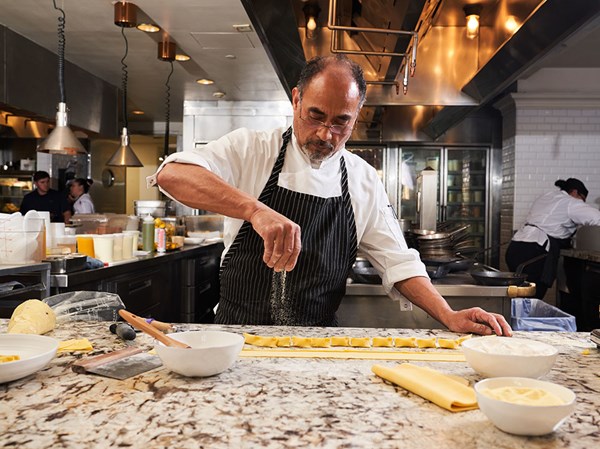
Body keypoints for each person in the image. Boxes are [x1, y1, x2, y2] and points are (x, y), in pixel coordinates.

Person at [150, 55, 511, 336]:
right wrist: (254, 210)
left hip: (316, 344)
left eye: (341, 122)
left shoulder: (362, 179)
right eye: (315, 116)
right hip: (237, 338)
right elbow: (173, 174)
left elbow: (398, 261)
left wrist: (448, 315)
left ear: (356, 117)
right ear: (295, 100)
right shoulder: (252, 148)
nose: (325, 134)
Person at [506, 178, 600, 300]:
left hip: (515, 247)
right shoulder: (571, 202)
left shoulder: (547, 196)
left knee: (518, 296)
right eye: (582, 200)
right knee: (531, 298)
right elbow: (596, 218)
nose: (582, 203)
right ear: (575, 192)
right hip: (534, 252)